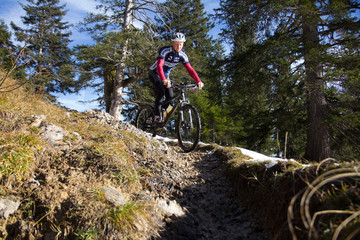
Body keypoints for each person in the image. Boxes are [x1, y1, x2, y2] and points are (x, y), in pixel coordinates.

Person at [149, 32, 204, 123]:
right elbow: (159, 66)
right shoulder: (165, 51)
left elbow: (190, 69)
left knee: (170, 99)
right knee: (162, 92)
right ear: (172, 43)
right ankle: (157, 116)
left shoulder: (182, 55)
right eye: (177, 44)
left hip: (165, 76)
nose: (179, 46)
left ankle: (162, 114)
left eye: (181, 44)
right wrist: (163, 80)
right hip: (154, 73)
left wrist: (198, 81)